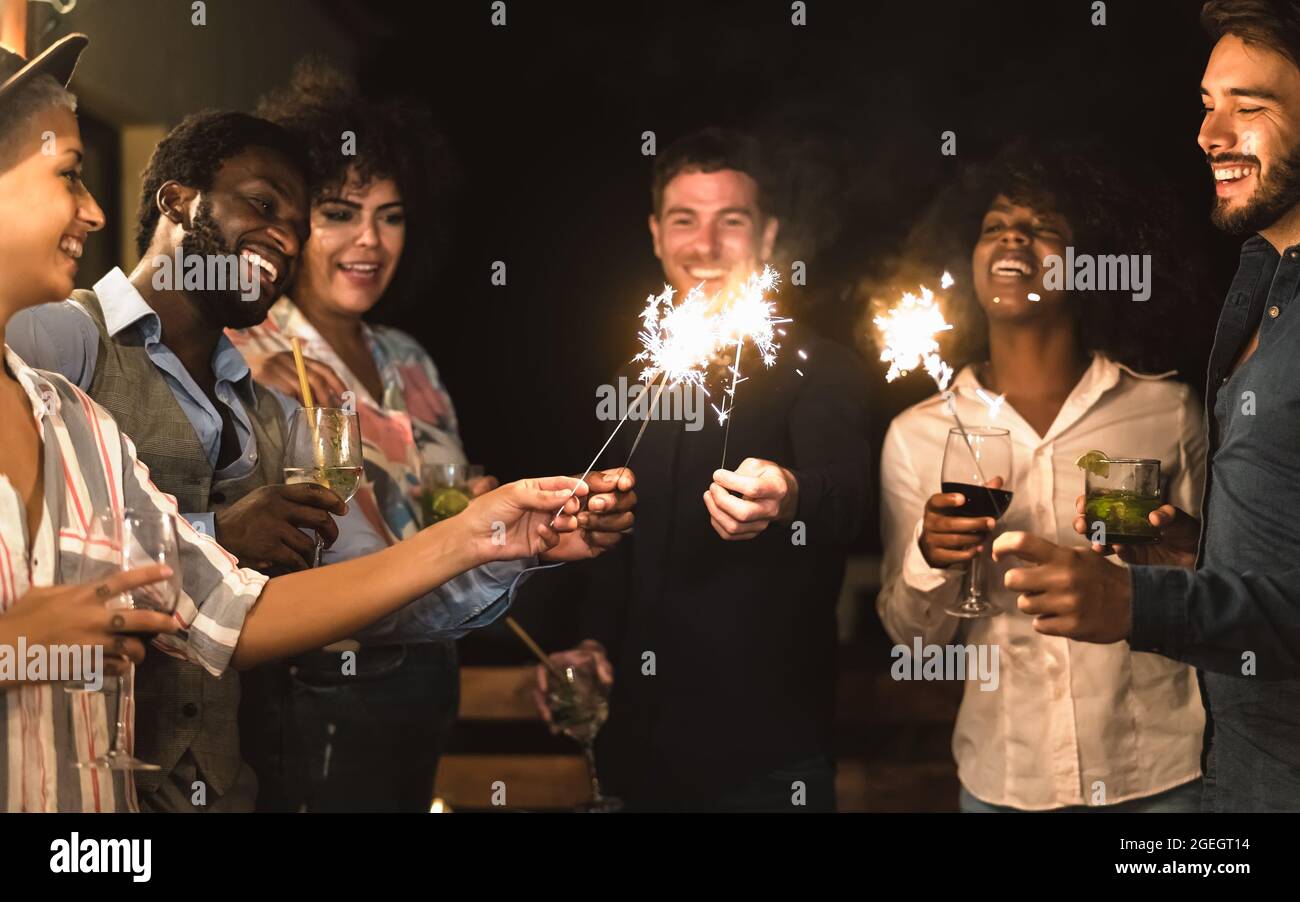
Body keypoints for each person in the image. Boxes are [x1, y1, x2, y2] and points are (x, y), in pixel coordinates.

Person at [0, 34, 624, 812]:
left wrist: (504, 537)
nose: (287, 240)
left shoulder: (232, 414)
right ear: (177, 200)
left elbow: (291, 596)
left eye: (298, 222)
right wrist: (220, 533)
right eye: (266, 207)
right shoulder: (61, 340)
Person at [222, 61, 635, 811]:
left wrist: (523, 528)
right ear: (290, 220)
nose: (370, 241)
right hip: (313, 703)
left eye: (392, 215)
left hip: (426, 690)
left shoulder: (408, 361)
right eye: (341, 212)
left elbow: (446, 524)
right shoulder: (245, 357)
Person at [991, 0, 1300, 812]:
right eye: (1208, 104)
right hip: (1237, 768)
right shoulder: (1259, 294)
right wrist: (1200, 564)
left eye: (1251, 105)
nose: (1210, 134)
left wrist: (1139, 602)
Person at [540, 128, 872, 811]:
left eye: (732, 221)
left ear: (768, 236)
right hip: (632, 756)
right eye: (685, 220)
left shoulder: (820, 366)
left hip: (771, 760)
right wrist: (592, 643)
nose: (706, 245)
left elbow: (854, 500)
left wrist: (790, 495)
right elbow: (612, 549)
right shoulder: (634, 379)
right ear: (657, 235)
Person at [876, 143, 1209, 812]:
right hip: (1006, 780)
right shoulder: (917, 434)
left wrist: (1168, 559)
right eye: (995, 225)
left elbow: (1219, 592)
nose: (1014, 237)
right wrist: (928, 558)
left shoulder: (1166, 409)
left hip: (1162, 775)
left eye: (1044, 227)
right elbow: (913, 639)